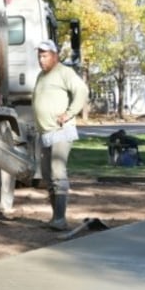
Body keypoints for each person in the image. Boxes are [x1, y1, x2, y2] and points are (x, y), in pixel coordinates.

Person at [32, 39, 89, 231]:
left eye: (45, 55)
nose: (41, 59)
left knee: (57, 172)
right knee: (47, 176)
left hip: (61, 132)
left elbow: (82, 90)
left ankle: (60, 218)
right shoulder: (41, 75)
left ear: (55, 56)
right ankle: (55, 217)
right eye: (39, 55)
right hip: (46, 132)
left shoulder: (64, 72)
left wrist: (70, 113)